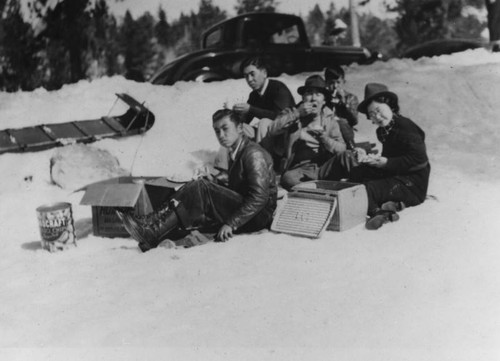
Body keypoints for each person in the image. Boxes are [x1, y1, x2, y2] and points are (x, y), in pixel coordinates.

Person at [116, 109, 277, 252]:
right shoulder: (236, 150)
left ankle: (152, 229)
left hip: (258, 217)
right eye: (217, 131)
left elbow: (259, 196)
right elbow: (241, 185)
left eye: (225, 129)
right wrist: (216, 180)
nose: (221, 135)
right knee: (197, 184)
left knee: (201, 187)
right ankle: (151, 225)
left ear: (240, 128)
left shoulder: (253, 154)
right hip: (248, 211)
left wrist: (231, 223)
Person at [324, 83, 431, 230]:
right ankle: (393, 203)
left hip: (413, 182)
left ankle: (379, 212)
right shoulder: (384, 130)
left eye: (379, 110)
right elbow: (393, 157)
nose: (377, 117)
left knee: (368, 189)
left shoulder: (405, 127)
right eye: (372, 114)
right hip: (398, 175)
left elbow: (419, 159)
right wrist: (371, 159)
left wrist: (386, 163)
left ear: (390, 106)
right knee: (357, 173)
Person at [277, 75, 346, 190]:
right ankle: (318, 186)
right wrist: (297, 114)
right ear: (303, 97)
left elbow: (342, 148)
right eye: (309, 93)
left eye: (318, 94)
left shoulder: (329, 119)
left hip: (324, 166)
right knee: (287, 178)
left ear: (323, 101)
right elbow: (272, 129)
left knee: (347, 157)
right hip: (300, 168)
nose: (313, 98)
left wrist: (324, 138)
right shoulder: (292, 113)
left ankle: (313, 186)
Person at [324, 65, 359, 147]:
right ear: (326, 83)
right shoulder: (323, 97)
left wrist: (344, 103)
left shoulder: (350, 97)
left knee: (341, 122)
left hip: (344, 133)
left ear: (344, 82)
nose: (335, 86)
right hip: (327, 131)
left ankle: (351, 147)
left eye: (338, 82)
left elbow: (354, 121)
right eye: (331, 83)